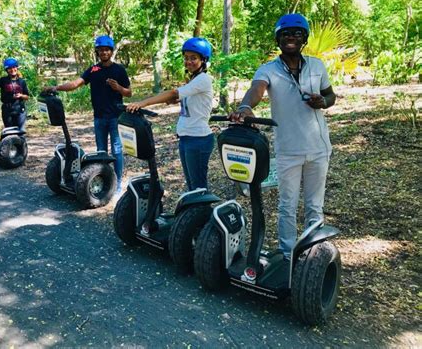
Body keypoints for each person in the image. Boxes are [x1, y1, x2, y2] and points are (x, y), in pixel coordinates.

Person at [230, 13, 336, 260]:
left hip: (319, 148)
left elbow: (331, 95)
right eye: (285, 33)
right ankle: (288, 255)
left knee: (314, 205)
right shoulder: (268, 70)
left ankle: (313, 255)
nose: (291, 37)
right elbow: (256, 90)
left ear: (304, 39)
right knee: (287, 205)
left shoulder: (317, 65)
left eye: (297, 33)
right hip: (288, 149)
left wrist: (324, 101)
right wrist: (245, 108)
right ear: (278, 39)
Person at [44, 35, 132, 192]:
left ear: (111, 51)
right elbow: (75, 84)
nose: (104, 53)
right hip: (99, 118)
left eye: (106, 50)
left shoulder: (119, 70)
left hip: (115, 117)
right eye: (101, 50)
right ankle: (106, 181)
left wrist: (118, 88)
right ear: (97, 52)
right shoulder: (93, 70)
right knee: (101, 152)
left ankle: (117, 184)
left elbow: (129, 93)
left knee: (117, 151)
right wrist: (55, 88)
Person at [127, 37, 214, 191]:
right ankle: (193, 214)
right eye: (186, 58)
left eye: (193, 58)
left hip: (198, 139)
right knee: (192, 187)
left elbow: (174, 93)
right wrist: (177, 100)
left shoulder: (203, 79)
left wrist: (142, 103)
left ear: (203, 59)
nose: (189, 62)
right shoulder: (193, 80)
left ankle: (201, 214)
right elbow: (187, 99)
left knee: (199, 188)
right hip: (186, 138)